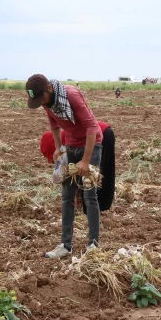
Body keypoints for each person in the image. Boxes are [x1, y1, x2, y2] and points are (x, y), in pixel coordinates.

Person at [26, 74, 103, 258]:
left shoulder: (72, 95)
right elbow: (54, 125)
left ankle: (93, 245)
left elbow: (92, 126)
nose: (41, 104)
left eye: (41, 99)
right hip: (71, 146)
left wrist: (85, 160)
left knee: (89, 195)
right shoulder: (47, 102)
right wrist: (60, 148)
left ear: (49, 89)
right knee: (67, 196)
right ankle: (65, 245)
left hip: (91, 146)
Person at [39, 121, 115, 213]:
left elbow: (72, 173)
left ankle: (95, 208)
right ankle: (101, 206)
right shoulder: (63, 141)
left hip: (99, 135)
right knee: (104, 171)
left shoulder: (66, 145)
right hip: (105, 132)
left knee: (92, 173)